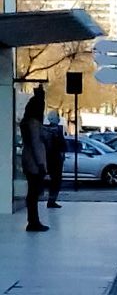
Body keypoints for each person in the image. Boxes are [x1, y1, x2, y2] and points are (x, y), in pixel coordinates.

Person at [20, 95, 49, 232]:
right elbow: (36, 144)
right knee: (34, 193)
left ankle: (33, 220)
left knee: (32, 192)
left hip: (27, 159)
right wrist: (41, 164)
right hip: (34, 162)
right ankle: (33, 222)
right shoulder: (34, 124)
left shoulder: (25, 123)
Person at [43, 110, 66, 208]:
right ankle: (52, 200)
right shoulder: (57, 130)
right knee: (56, 181)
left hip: (48, 158)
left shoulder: (44, 130)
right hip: (55, 159)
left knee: (52, 181)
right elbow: (62, 145)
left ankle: (51, 200)